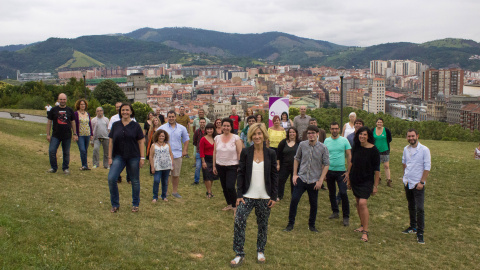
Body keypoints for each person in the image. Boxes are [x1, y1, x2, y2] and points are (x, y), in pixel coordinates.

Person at [230, 123, 278, 267]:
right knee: (239, 221)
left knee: (262, 225)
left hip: (265, 197)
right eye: (254, 134)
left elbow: (275, 175)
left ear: (264, 135)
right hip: (247, 196)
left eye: (259, 134)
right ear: (251, 136)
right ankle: (239, 253)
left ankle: (260, 251)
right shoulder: (246, 152)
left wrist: (274, 196)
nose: (257, 136)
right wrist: (239, 195)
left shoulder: (271, 153)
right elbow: (241, 173)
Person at [283, 125, 330, 233]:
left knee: (313, 204)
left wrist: (321, 180)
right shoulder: (302, 145)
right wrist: (295, 174)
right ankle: (290, 224)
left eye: (313, 133)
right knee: (294, 200)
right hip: (302, 178)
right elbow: (296, 159)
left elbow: (326, 164)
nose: (311, 135)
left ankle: (312, 225)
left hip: (314, 181)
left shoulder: (323, 148)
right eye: (309, 133)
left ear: (317, 134)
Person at [107, 103, 145, 213]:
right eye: (123, 110)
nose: (125, 112)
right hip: (119, 156)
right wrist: (109, 157)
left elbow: (141, 142)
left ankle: (135, 204)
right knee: (111, 178)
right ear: (120, 112)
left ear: (131, 112)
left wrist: (142, 158)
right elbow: (110, 142)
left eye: (127, 110)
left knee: (134, 181)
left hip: (133, 156)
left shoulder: (136, 126)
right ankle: (115, 204)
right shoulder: (115, 125)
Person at [347, 127, 380, 242]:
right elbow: (352, 162)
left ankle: (365, 232)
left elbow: (377, 170)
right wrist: (349, 178)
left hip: (367, 181)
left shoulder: (374, 150)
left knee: (362, 203)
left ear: (368, 136)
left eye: (365, 135)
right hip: (355, 178)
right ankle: (362, 225)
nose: (362, 136)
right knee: (357, 202)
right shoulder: (356, 146)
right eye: (360, 134)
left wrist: (375, 186)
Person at [401, 129, 431, 244]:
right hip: (408, 182)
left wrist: (422, 182)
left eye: (413, 136)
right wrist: (405, 177)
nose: (411, 138)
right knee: (411, 205)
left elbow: (427, 167)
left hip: (418, 184)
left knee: (420, 208)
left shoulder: (424, 150)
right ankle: (412, 227)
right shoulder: (406, 149)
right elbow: (404, 163)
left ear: (417, 136)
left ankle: (420, 232)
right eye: (409, 136)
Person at [324, 122, 352, 226]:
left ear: (339, 129)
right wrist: (324, 172)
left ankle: (346, 216)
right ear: (330, 129)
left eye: (336, 128)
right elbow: (324, 156)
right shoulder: (326, 141)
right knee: (331, 193)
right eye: (332, 129)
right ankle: (335, 212)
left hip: (341, 172)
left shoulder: (344, 140)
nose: (334, 130)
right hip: (329, 171)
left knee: (343, 193)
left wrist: (348, 172)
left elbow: (349, 156)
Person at [157, 110, 190, 198]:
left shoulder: (181, 128)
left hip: (177, 154)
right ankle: (165, 192)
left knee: (176, 174)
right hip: (165, 154)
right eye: (169, 117)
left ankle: (175, 192)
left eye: (173, 117)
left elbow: (186, 139)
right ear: (167, 118)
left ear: (175, 117)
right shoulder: (162, 128)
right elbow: (156, 139)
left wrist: (185, 150)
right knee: (166, 175)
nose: (171, 118)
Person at [213, 118, 242, 213]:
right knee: (224, 187)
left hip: (232, 166)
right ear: (221, 127)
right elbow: (214, 152)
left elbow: (239, 152)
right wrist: (214, 166)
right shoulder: (217, 138)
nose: (226, 127)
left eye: (228, 126)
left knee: (230, 186)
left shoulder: (236, 138)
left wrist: (240, 166)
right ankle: (229, 204)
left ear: (231, 127)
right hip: (220, 165)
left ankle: (235, 206)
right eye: (224, 125)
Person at [46, 93, 77, 175]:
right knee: (52, 151)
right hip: (55, 135)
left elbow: (73, 122)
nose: (62, 101)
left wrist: (75, 133)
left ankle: (65, 168)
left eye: (64, 99)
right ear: (58, 100)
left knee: (66, 153)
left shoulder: (70, 110)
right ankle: (53, 167)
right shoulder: (53, 110)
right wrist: (48, 134)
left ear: (66, 100)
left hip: (67, 135)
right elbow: (49, 122)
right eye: (61, 99)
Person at [109, 101, 136, 183]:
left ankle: (129, 178)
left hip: (129, 145)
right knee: (117, 162)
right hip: (117, 144)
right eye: (118, 107)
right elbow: (110, 131)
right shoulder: (113, 118)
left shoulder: (132, 119)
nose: (119, 108)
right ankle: (117, 177)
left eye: (120, 106)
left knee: (129, 162)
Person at [149, 129, 174, 203]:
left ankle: (164, 196)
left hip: (166, 166)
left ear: (165, 137)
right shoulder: (153, 145)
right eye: (160, 136)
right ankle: (155, 197)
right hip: (157, 167)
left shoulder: (167, 145)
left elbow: (171, 154)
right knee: (156, 181)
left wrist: (171, 164)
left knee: (165, 181)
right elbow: (151, 156)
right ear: (157, 136)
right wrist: (152, 166)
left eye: (163, 136)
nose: (161, 137)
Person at [276, 127, 300, 200]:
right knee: (280, 180)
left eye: (293, 132)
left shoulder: (300, 143)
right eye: (290, 132)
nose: (292, 134)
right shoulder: (283, 142)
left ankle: (294, 196)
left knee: (294, 182)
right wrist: (278, 164)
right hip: (284, 166)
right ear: (288, 133)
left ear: (296, 133)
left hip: (296, 167)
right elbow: (278, 154)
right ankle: (279, 195)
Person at [73, 99, 93, 170]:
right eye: (81, 104)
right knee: (82, 150)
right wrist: (75, 134)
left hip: (87, 134)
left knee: (85, 150)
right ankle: (84, 165)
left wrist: (91, 134)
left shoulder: (87, 113)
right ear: (78, 105)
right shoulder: (76, 113)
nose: (83, 106)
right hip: (80, 135)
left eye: (84, 104)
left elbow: (89, 124)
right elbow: (74, 124)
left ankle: (85, 165)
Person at [372, 118, 392, 187]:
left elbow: (390, 139)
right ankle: (378, 178)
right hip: (375, 150)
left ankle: (388, 180)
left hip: (385, 150)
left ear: (382, 123)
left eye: (380, 122)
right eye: (378, 122)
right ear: (376, 123)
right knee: (377, 165)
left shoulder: (386, 130)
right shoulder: (373, 130)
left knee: (386, 166)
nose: (379, 123)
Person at [200, 123, 218, 198]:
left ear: (213, 130)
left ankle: (210, 190)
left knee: (212, 176)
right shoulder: (203, 139)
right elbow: (201, 151)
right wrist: (203, 162)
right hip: (206, 159)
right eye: (208, 129)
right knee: (207, 176)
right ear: (206, 130)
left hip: (215, 160)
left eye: (211, 129)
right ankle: (209, 192)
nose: (209, 130)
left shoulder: (216, 139)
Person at [192, 118, 207, 185]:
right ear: (199, 123)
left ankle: (205, 179)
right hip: (199, 152)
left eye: (203, 122)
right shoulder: (197, 131)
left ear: (205, 123)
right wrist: (199, 147)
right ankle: (196, 181)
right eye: (201, 122)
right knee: (198, 166)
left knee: (205, 167)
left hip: (206, 152)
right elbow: (194, 141)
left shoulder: (208, 131)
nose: (202, 124)